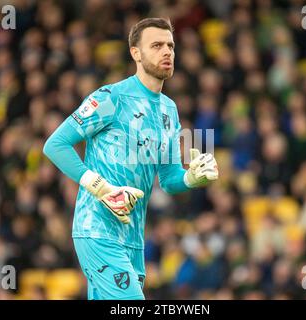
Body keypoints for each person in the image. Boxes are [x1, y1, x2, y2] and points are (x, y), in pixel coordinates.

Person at [43, 17, 219, 300]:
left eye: (171, 46)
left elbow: (170, 179)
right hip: (97, 230)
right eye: (157, 45)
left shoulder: (169, 110)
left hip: (133, 239)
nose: (167, 52)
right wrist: (102, 188)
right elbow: (56, 145)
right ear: (135, 53)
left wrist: (190, 177)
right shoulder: (110, 97)